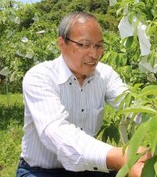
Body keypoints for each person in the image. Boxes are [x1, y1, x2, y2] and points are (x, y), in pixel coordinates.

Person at [16, 11, 150, 177]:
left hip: (87, 167)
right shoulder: (40, 76)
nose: (94, 54)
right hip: (41, 171)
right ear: (61, 43)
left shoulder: (105, 74)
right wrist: (119, 156)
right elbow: (57, 132)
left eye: (98, 45)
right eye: (84, 45)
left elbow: (129, 103)